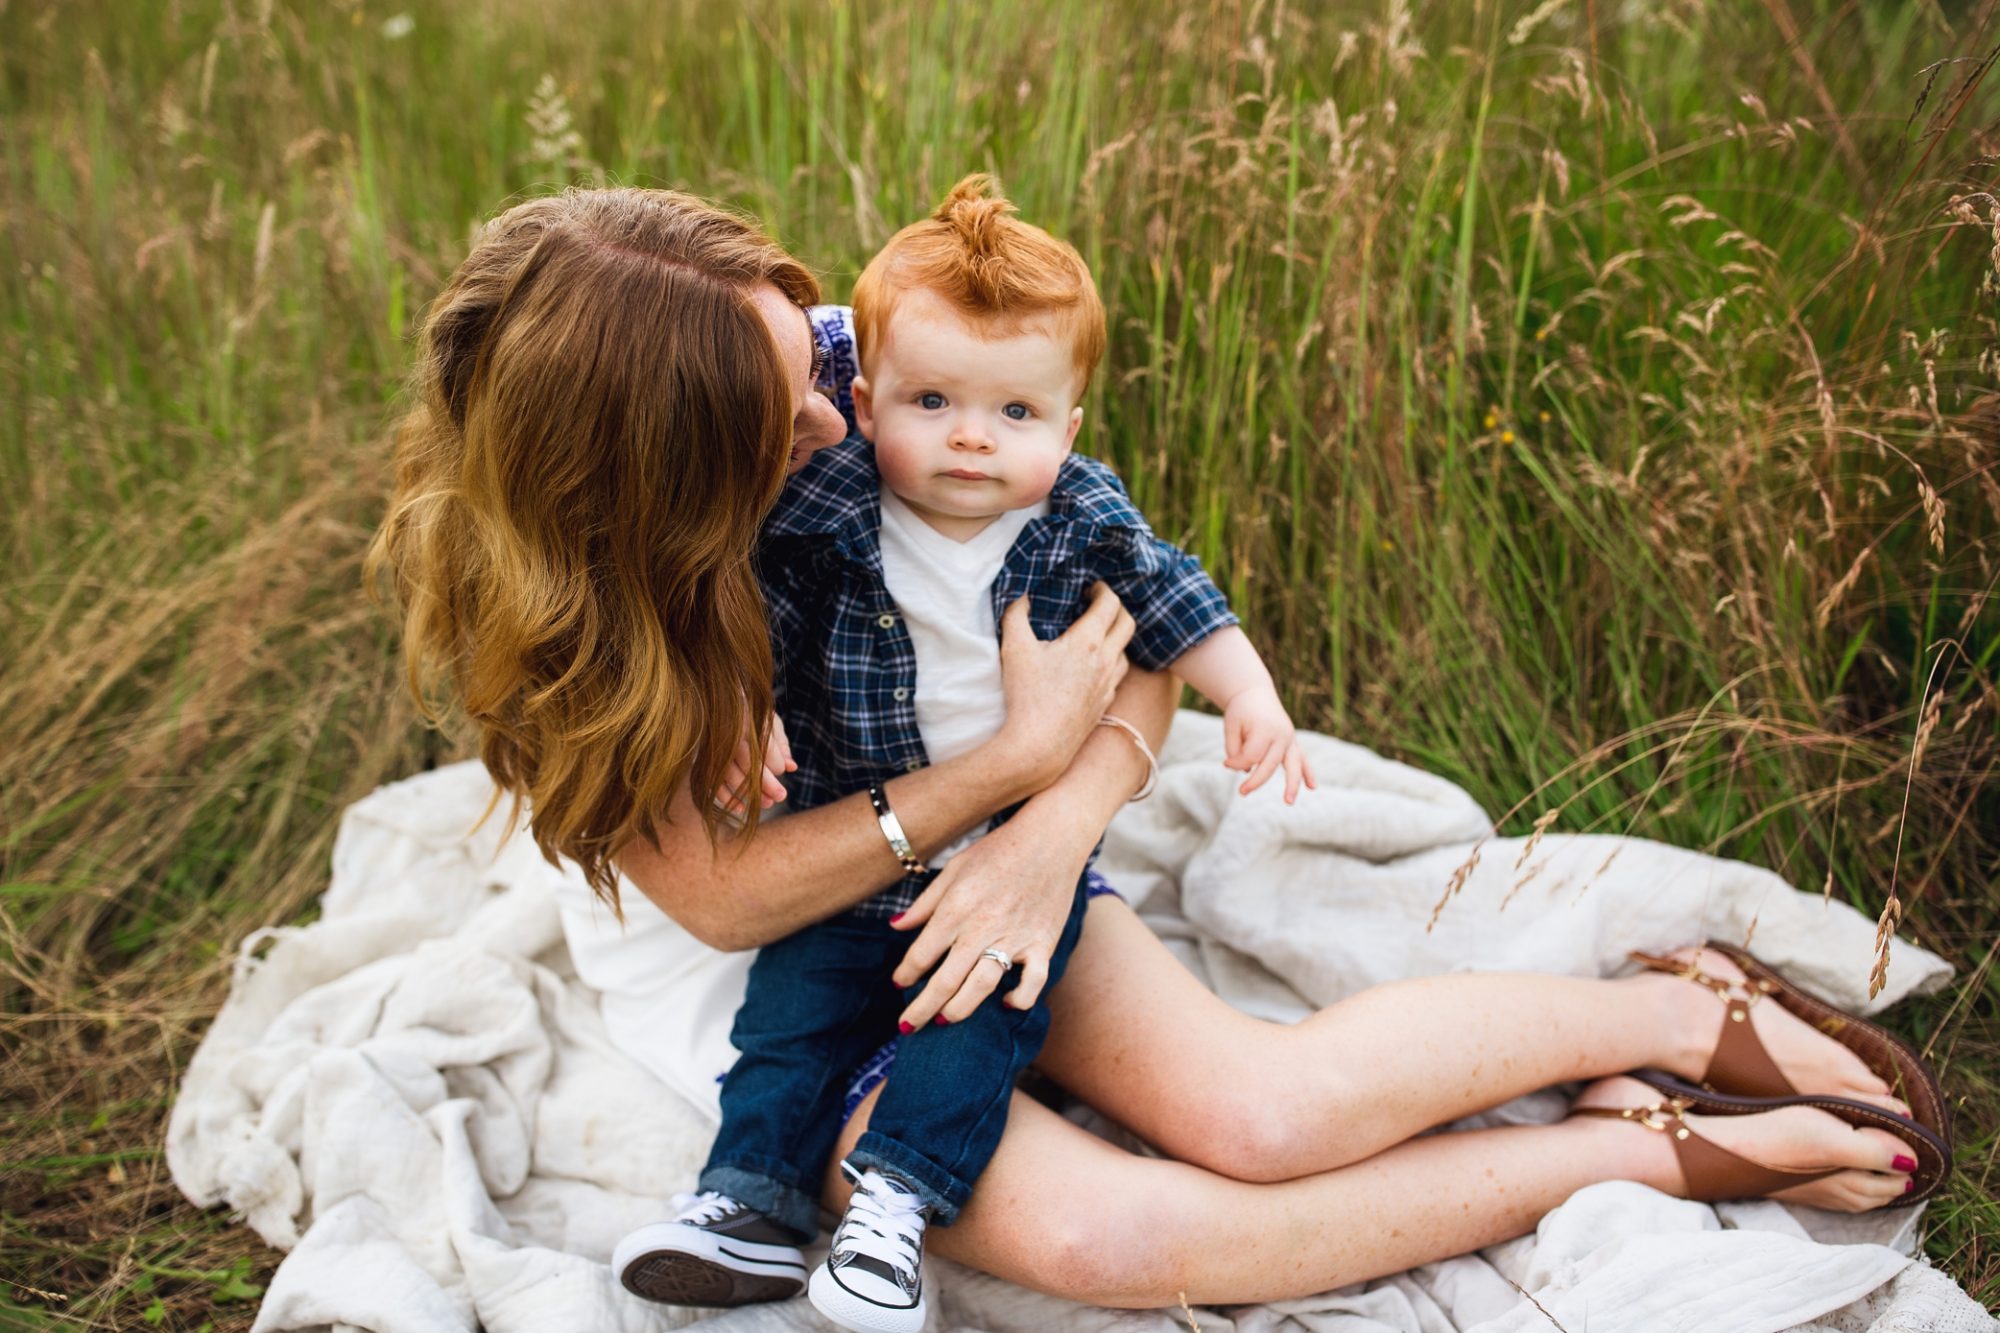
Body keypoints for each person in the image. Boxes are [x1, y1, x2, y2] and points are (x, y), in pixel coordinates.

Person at [367, 185, 1948, 1320]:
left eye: (825, 370)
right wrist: (997, 779)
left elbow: (1123, 631)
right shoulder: (560, 616)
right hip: (772, 941)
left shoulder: (859, 368)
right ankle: (1644, 1156)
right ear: (659, 485)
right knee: (1113, 1240)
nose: (845, 424)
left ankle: (1674, 1000)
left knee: (1263, 1116)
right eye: (790, 426)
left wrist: (1054, 822)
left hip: (1003, 844)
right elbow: (722, 902)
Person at [610, 175, 1314, 1333]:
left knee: (972, 1021)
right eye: (932, 402)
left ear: (1069, 426)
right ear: (873, 400)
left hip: (1007, 854)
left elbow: (1171, 598)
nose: (973, 437)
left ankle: (892, 1212)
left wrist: (1252, 693)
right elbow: (738, 608)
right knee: (785, 1019)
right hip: (839, 844)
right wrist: (736, 706)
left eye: (1016, 415)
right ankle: (741, 1206)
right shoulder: (827, 504)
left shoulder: (1079, 511)